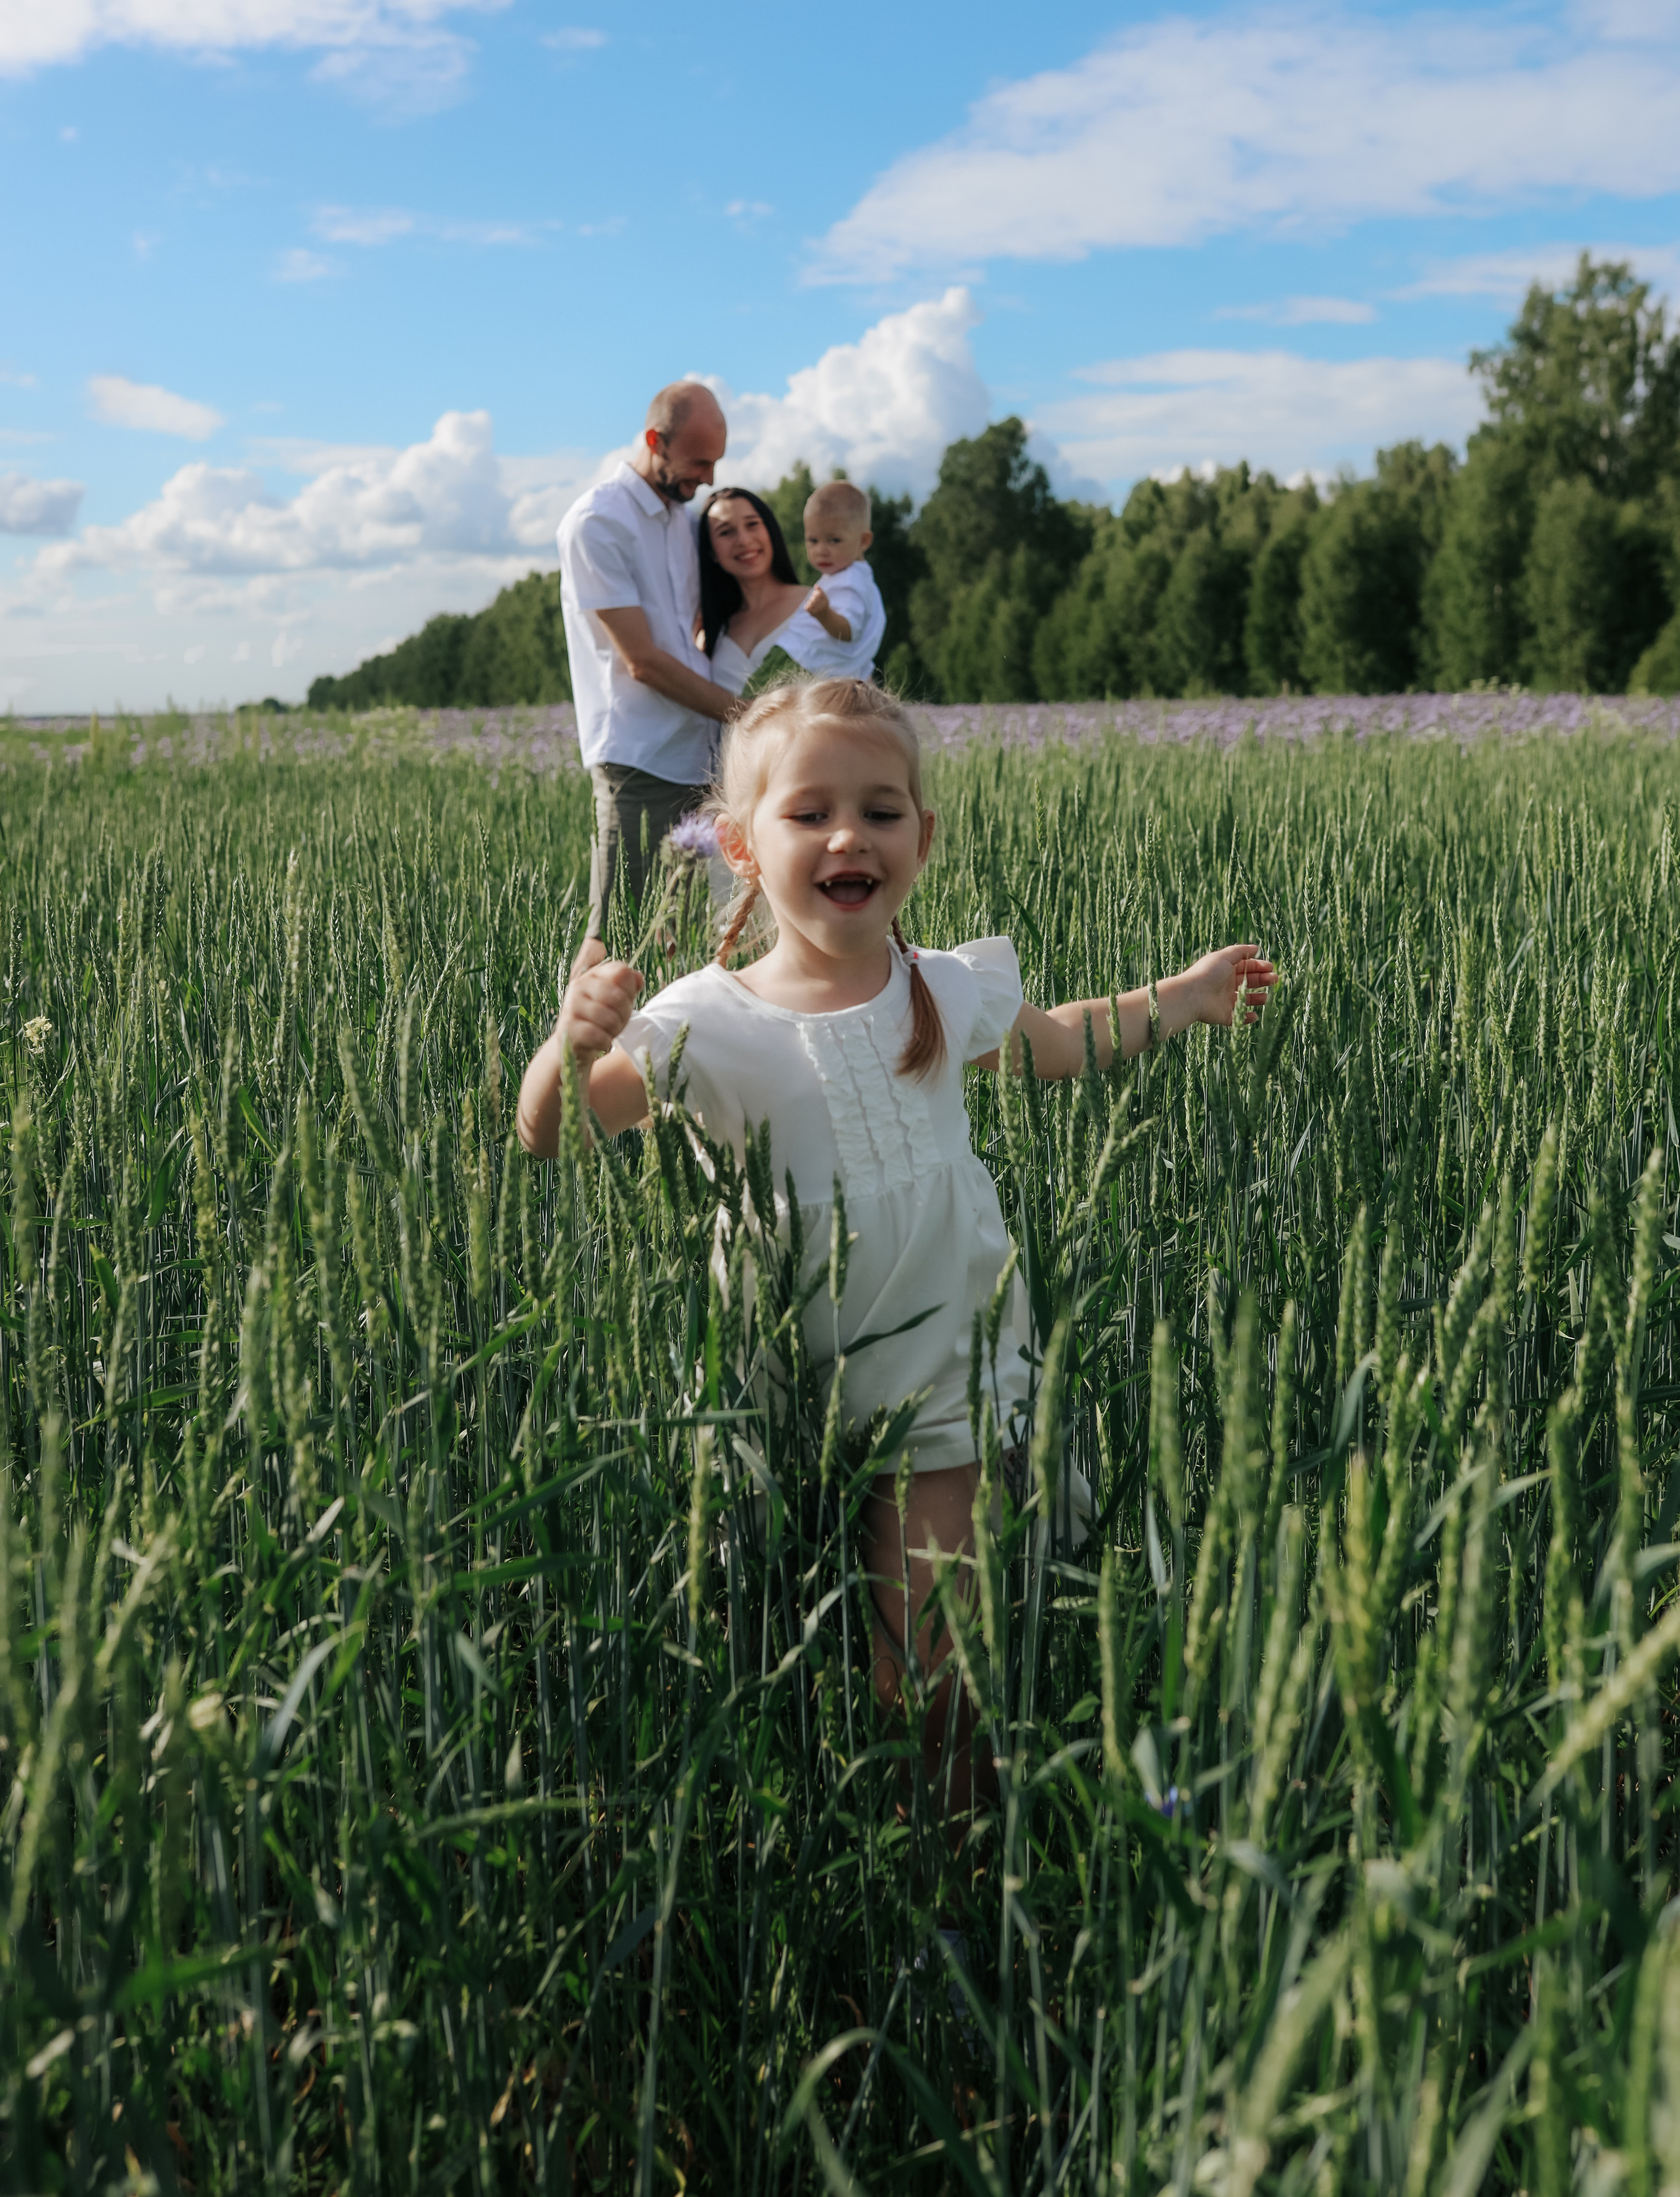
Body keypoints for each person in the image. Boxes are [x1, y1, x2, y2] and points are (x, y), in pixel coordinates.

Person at [516, 675, 1276, 1819]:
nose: (847, 836)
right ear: (739, 844)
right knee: (770, 1628)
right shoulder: (706, 1018)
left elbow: (1058, 1046)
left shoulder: (940, 986)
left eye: (880, 811)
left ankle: (948, 1858)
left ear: (922, 837)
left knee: (936, 1652)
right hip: (779, 1377)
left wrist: (1187, 995)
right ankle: (799, 1830)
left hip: (938, 1375)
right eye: (809, 812)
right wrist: (567, 1045)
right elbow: (557, 1132)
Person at [555, 381, 742, 975]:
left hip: (699, 757)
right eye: (698, 462)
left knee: (682, 941)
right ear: (655, 440)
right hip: (638, 762)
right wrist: (748, 713)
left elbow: (692, 635)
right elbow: (643, 660)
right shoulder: (597, 523)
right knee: (614, 939)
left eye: (716, 461)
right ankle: (572, 1064)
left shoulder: (682, 519)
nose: (709, 478)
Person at [695, 487, 808, 698]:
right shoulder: (714, 634)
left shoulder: (816, 605)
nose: (744, 540)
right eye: (726, 532)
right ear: (712, 552)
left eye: (752, 525)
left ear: (770, 531)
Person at [770, 479, 887, 681]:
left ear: (863, 541)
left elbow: (849, 632)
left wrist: (824, 614)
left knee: (753, 698)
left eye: (834, 540)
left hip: (804, 661)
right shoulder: (849, 576)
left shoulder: (850, 581)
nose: (821, 550)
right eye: (813, 540)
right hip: (820, 667)